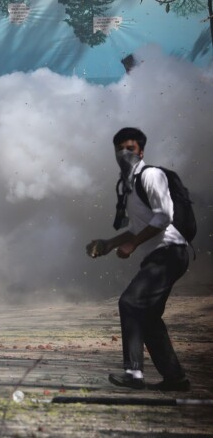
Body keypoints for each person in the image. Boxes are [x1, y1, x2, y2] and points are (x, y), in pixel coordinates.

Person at [86, 127, 191, 392]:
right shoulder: (128, 186)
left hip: (170, 252)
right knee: (148, 316)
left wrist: (133, 244)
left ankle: (133, 374)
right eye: (119, 149)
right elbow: (137, 228)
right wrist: (109, 244)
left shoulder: (151, 175)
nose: (124, 153)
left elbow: (163, 216)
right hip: (160, 255)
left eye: (130, 148)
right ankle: (175, 378)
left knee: (130, 303)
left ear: (141, 151)